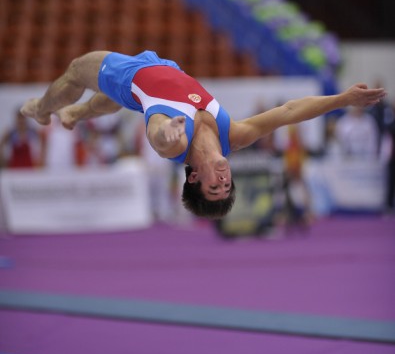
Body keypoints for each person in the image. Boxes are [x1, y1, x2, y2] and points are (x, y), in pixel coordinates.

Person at [20, 50, 386, 219]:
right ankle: (78, 113)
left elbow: (161, 139)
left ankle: (42, 110)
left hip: (130, 74)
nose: (224, 180)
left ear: (193, 176)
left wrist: (169, 129)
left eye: (215, 186)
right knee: (117, 102)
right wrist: (343, 98)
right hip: (166, 66)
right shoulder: (235, 137)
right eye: (227, 187)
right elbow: (289, 112)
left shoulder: (174, 145)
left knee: (74, 72)